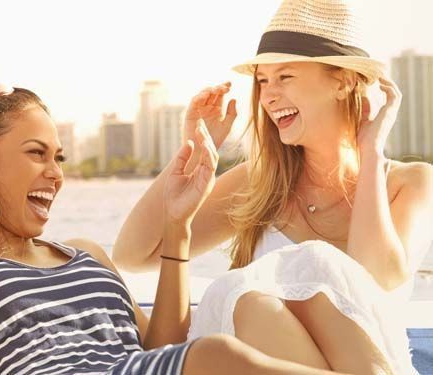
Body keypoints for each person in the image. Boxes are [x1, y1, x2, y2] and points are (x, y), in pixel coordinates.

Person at [0, 80, 345, 374]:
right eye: (36, 153)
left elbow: (159, 351)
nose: (56, 173)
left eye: (58, 157)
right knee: (219, 356)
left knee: (285, 295)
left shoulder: (85, 254)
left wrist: (177, 225)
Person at [112, 1, 433, 374]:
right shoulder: (260, 181)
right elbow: (133, 254)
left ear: (343, 81)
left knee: (302, 276)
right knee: (250, 300)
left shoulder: (410, 182)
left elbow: (375, 279)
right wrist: (195, 150)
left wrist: (371, 152)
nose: (267, 96)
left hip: (372, 360)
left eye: (285, 77)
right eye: (263, 81)